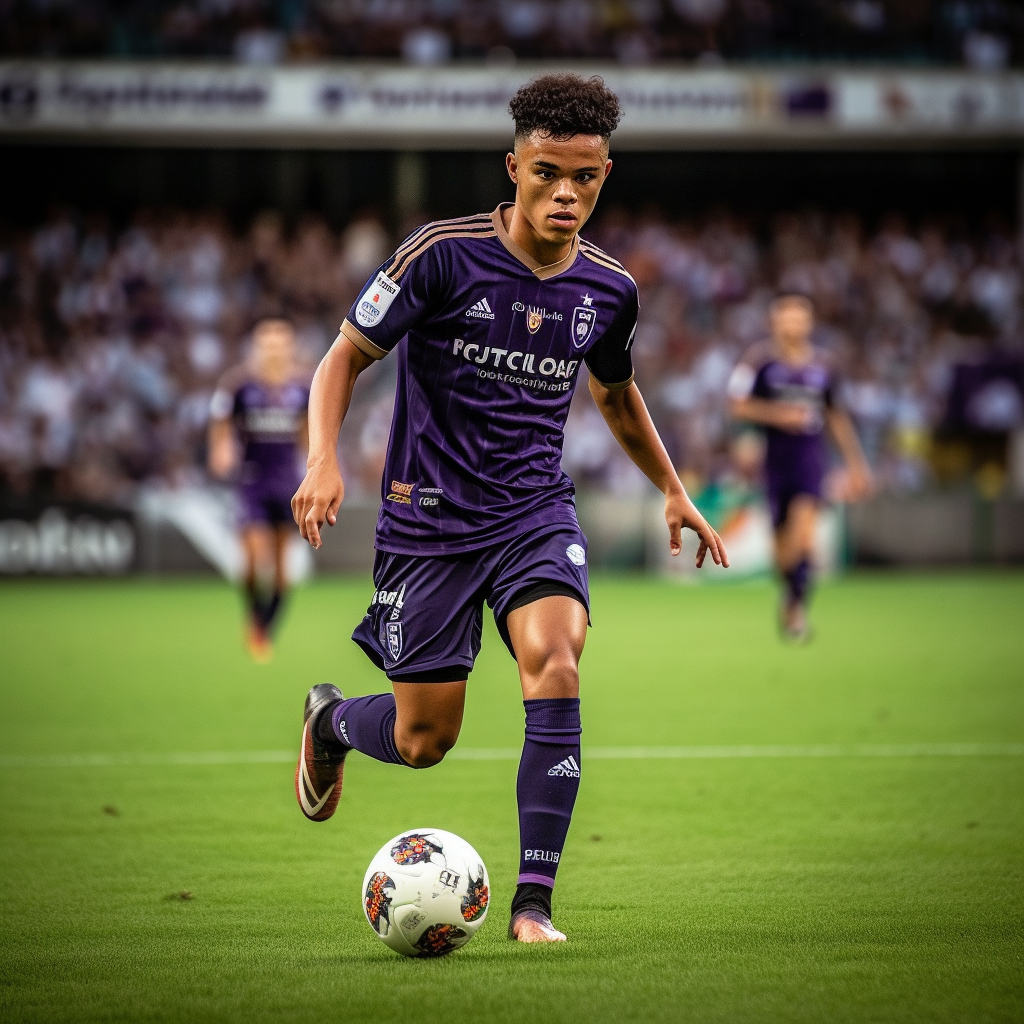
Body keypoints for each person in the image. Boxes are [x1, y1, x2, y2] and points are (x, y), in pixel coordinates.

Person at [291, 74, 728, 945]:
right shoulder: (440, 255)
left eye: (587, 178)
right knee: (423, 740)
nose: (567, 194)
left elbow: (615, 394)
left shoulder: (610, 289)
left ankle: (534, 905)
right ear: (514, 167)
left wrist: (674, 487)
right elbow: (342, 356)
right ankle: (332, 722)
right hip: (430, 522)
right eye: (546, 174)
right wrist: (323, 457)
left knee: (557, 664)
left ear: (606, 174)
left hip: (535, 513)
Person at [727, 293, 871, 641]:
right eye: (786, 317)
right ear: (774, 322)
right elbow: (738, 405)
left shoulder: (824, 365)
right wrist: (781, 416)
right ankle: (791, 594)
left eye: (799, 317)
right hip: (774, 465)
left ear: (809, 322)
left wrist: (856, 463)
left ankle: (796, 613)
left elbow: (836, 416)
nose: (792, 324)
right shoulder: (758, 361)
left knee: (804, 537)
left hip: (810, 463)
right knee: (782, 554)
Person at [208, 318, 311, 661]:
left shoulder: (303, 388)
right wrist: (221, 450)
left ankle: (264, 630)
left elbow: (309, 432)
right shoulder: (239, 386)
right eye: (267, 344)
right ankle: (256, 618)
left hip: (287, 484)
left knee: (282, 566)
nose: (274, 351)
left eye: (280, 344)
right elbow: (221, 424)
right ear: (257, 348)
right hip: (252, 481)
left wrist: (315, 467)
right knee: (253, 558)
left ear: (290, 348)